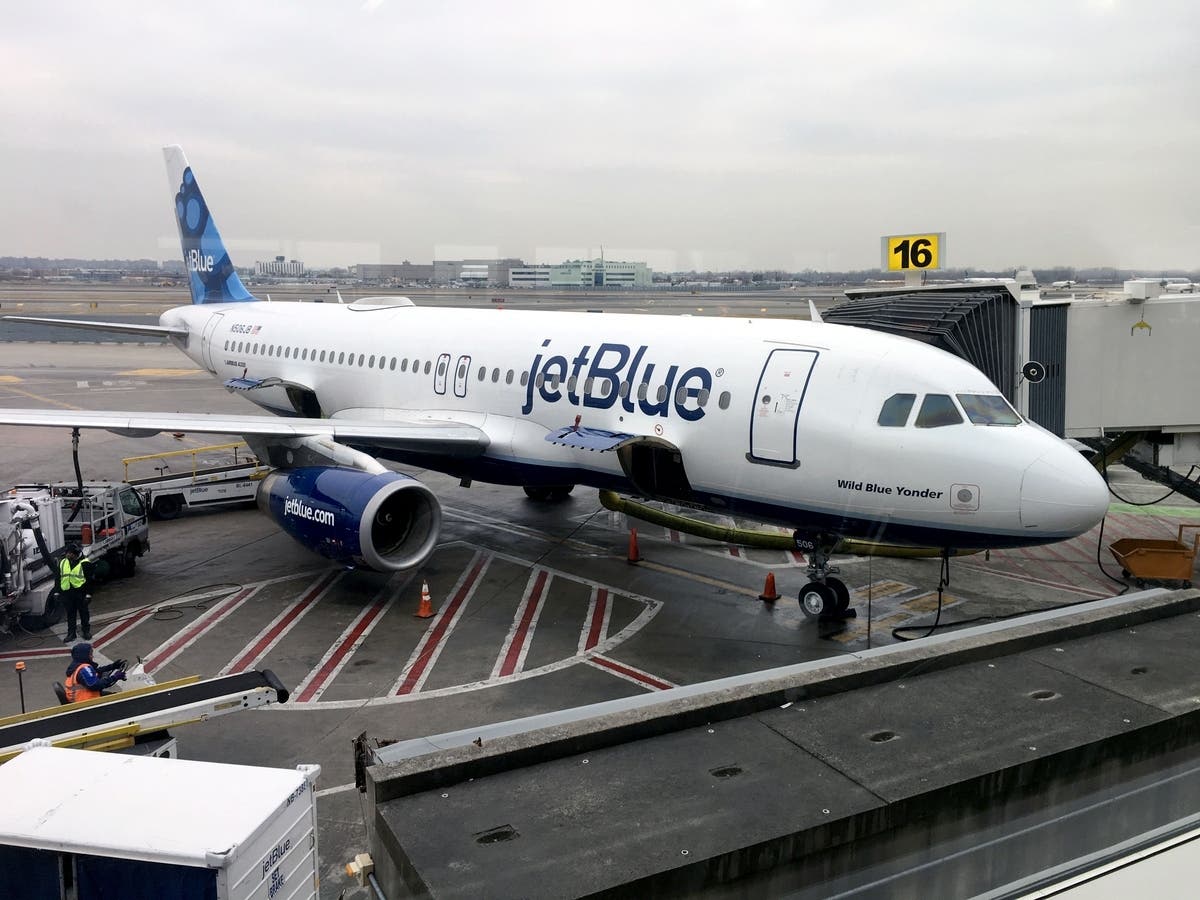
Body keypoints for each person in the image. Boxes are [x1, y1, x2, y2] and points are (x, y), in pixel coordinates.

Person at [58, 543, 93, 642]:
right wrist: (57, 592)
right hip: (68, 593)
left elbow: (89, 580)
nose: (67, 555)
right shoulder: (63, 562)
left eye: (69, 553)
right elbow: (58, 577)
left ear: (74, 554)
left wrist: (88, 594)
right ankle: (71, 634)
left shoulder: (85, 563)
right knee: (70, 614)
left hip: (80, 593)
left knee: (84, 613)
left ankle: (86, 631)